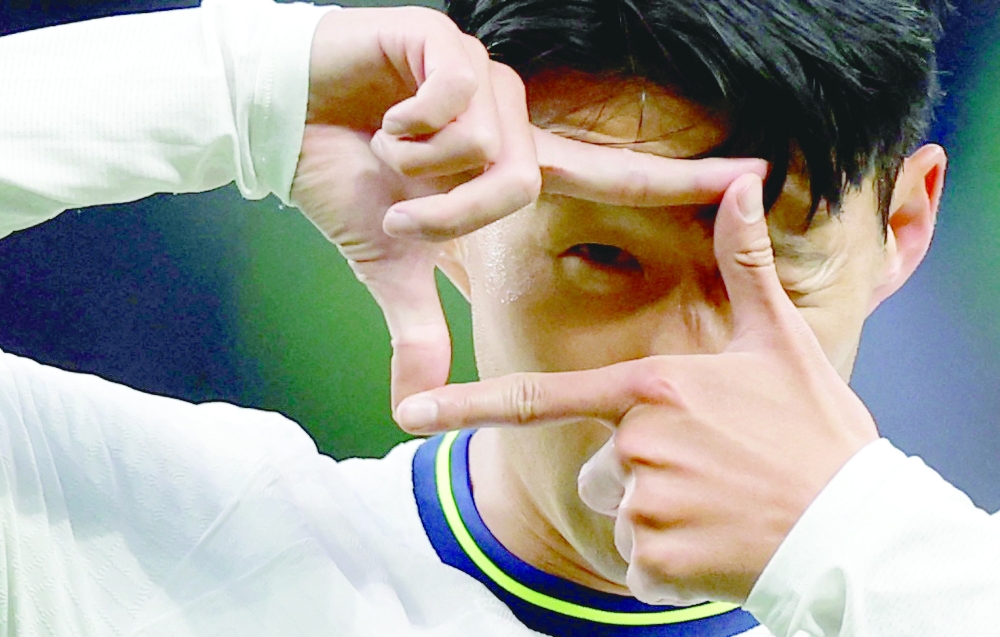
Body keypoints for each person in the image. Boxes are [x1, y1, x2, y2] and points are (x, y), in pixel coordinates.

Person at [0, 0, 764, 635]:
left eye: (773, 264)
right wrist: (248, 90)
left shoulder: (881, 584)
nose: (678, 369)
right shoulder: (178, 547)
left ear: (891, 232)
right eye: (603, 255)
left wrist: (853, 546)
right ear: (453, 212)